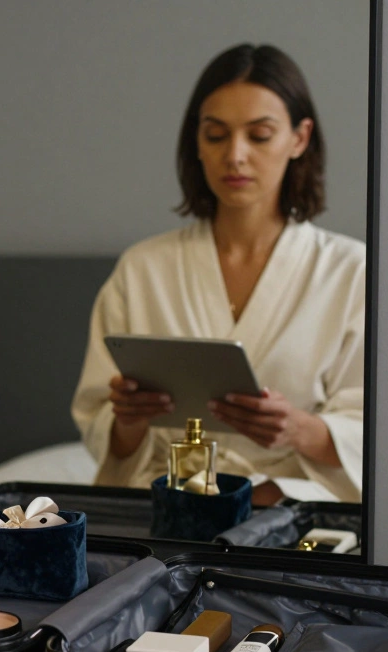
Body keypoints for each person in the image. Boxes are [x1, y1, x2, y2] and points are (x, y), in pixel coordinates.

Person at [71, 44, 366, 503]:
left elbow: (380, 439)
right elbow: (102, 430)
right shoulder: (143, 269)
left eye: (260, 135)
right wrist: (128, 420)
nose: (236, 155)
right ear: (197, 141)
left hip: (290, 509)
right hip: (167, 510)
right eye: (216, 134)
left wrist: (300, 431)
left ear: (300, 138)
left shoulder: (351, 272)